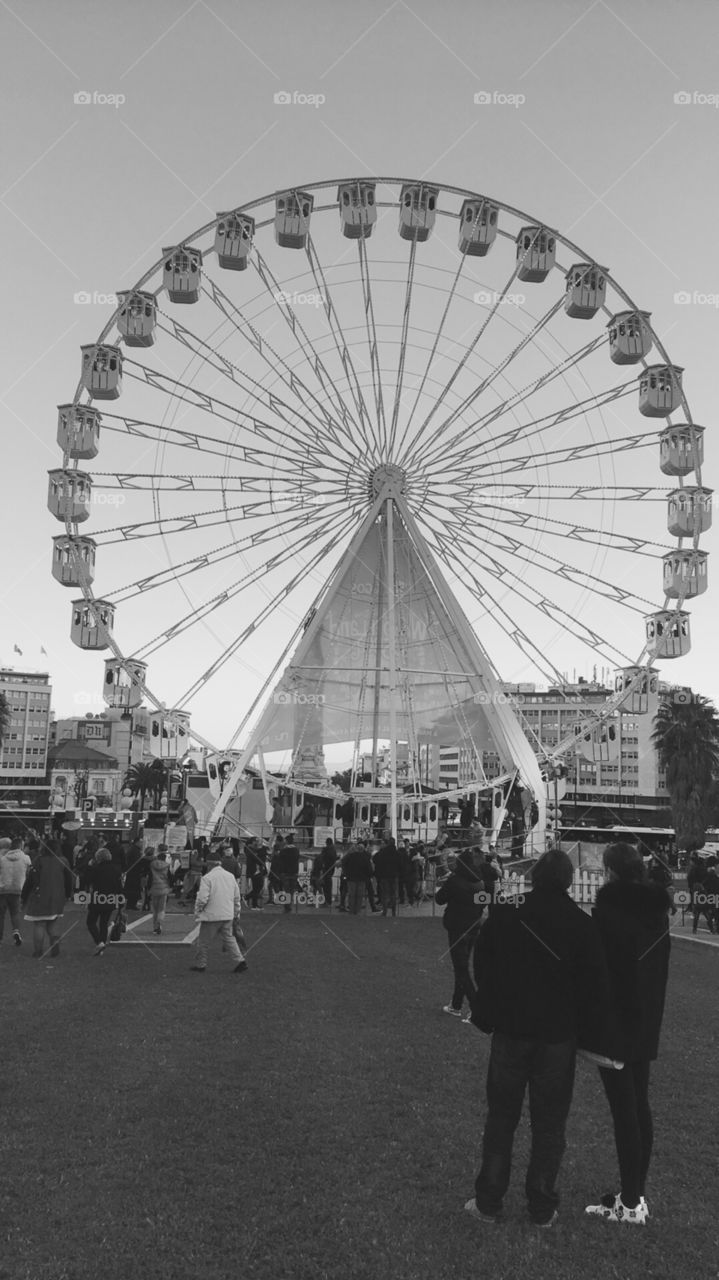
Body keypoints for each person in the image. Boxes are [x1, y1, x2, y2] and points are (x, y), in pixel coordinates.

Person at [467, 849, 610, 1228]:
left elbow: (482, 960)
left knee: (501, 1118)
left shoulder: (507, 912)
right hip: (556, 1036)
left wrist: (491, 1003)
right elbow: (593, 985)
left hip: (512, 1029)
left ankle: (488, 1200)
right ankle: (541, 1205)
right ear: (567, 881)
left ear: (534, 876)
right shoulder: (581, 925)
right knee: (549, 1125)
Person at [585, 842, 672, 1226]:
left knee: (627, 1111)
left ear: (611, 872)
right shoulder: (656, 911)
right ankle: (634, 1193)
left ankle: (632, 1201)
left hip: (618, 1023)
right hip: (646, 1018)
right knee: (638, 1105)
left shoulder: (610, 913)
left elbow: (600, 971)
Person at [435, 849, 486, 1020]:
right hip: (473, 927)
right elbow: (482, 905)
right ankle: (456, 1004)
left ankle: (476, 1007)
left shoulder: (455, 881)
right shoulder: (480, 883)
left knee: (461, 969)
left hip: (458, 928)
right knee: (462, 967)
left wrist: (447, 886)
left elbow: (440, 898)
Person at [191, 852, 247, 973]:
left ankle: (201, 964)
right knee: (229, 939)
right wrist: (236, 912)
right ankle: (240, 961)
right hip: (227, 914)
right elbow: (236, 897)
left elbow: (202, 898)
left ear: (209, 864)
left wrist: (198, 911)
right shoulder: (230, 876)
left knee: (203, 941)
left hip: (211, 915)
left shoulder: (207, 878)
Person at [21, 838, 74, 959]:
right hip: (57, 897)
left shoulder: (38, 860)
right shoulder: (64, 861)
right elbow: (69, 880)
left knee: (39, 924)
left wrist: (24, 896)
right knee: (52, 924)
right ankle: (54, 943)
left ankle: (38, 951)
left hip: (41, 896)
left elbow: (30, 880)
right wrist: (67, 895)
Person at [85, 848, 125, 956]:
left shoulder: (95, 869)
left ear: (98, 857)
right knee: (103, 923)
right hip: (110, 899)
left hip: (97, 898)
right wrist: (121, 903)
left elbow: (87, 880)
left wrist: (89, 867)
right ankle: (101, 947)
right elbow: (119, 887)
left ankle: (99, 942)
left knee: (90, 922)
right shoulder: (116, 870)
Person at [0, 835, 31, 947]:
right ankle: (16, 931)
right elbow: (29, 872)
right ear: (21, 846)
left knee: (1, 916)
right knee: (15, 913)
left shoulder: (2, 859)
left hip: (3, 890)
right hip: (18, 889)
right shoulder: (26, 858)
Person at [341, 841, 374, 914]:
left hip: (351, 879)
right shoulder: (365, 858)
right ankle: (357, 911)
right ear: (362, 850)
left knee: (351, 895)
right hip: (362, 879)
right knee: (359, 896)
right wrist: (369, 876)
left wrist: (346, 874)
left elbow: (343, 862)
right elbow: (369, 869)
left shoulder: (350, 856)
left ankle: (351, 911)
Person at [374, 837, 402, 917]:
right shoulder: (397, 853)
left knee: (384, 894)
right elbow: (400, 864)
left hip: (384, 875)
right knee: (393, 894)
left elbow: (375, 860)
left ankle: (385, 911)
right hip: (394, 875)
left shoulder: (382, 852)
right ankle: (393, 912)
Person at [149, 844, 173, 934]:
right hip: (163, 889)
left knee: (154, 909)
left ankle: (155, 927)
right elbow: (170, 878)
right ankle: (159, 924)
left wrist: (148, 888)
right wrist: (170, 887)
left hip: (154, 889)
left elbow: (150, 878)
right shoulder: (167, 866)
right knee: (161, 909)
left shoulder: (152, 865)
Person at [244, 837, 267, 910]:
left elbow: (262, 860)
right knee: (257, 887)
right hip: (254, 871)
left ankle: (252, 901)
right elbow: (257, 859)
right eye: (255, 841)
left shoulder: (257, 849)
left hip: (258, 870)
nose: (257, 843)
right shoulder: (249, 849)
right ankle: (252, 902)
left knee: (258, 887)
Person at [313, 838, 337, 907]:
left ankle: (326, 902)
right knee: (328, 887)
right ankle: (328, 902)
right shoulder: (334, 850)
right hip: (330, 871)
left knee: (325, 887)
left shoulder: (326, 850)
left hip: (325, 871)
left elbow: (322, 859)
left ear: (327, 843)